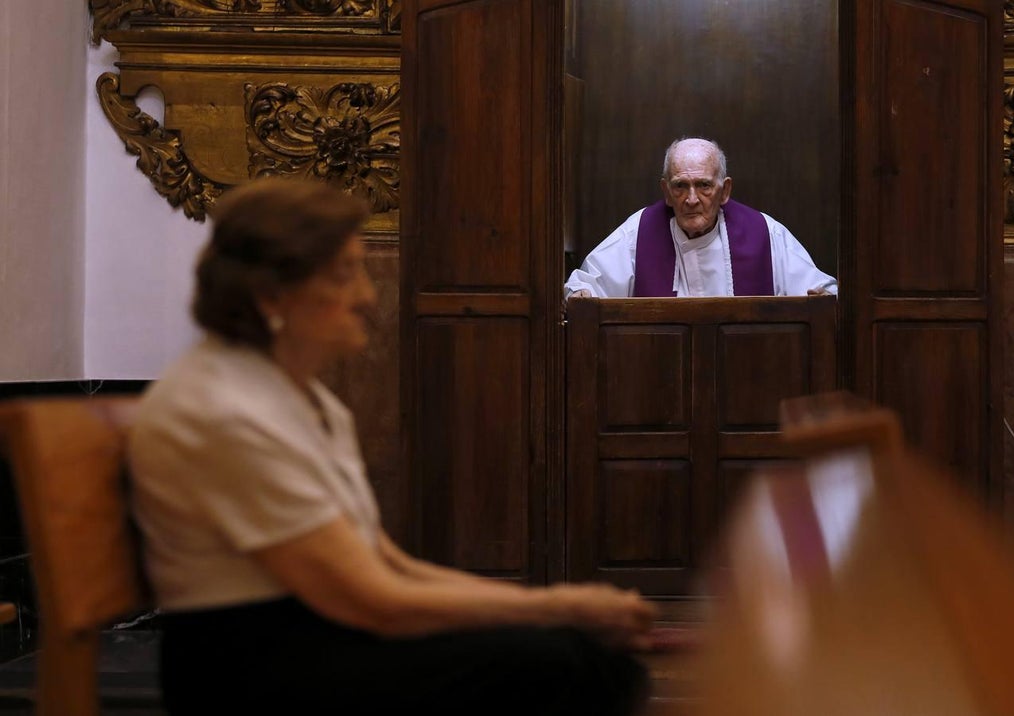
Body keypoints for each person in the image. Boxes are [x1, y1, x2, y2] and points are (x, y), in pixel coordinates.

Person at [128, 178, 655, 715]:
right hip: (253, 666)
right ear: (270, 296)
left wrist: (549, 609)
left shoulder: (297, 393)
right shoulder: (224, 409)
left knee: (583, 655)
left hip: (321, 634)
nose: (367, 294)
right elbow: (373, 601)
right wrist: (556, 607)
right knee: (567, 664)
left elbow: (387, 563)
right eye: (343, 274)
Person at [565, 137, 837, 300]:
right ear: (666, 192)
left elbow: (821, 292)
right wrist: (581, 295)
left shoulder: (765, 233)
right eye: (680, 186)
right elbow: (584, 288)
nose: (692, 199)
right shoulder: (639, 231)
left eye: (704, 185)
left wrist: (822, 298)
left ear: (725, 190)